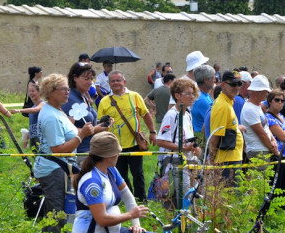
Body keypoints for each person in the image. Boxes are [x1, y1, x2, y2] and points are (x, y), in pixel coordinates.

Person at [35, 73, 94, 233]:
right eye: (64, 89)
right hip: (54, 168)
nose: (68, 92)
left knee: (56, 210)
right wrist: (82, 136)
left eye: (68, 88)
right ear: (51, 92)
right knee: (56, 211)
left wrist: (93, 129)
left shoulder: (57, 110)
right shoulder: (51, 116)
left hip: (59, 168)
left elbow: (71, 132)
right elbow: (58, 150)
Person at [98, 70, 156, 202]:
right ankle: (128, 200)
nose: (116, 83)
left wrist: (152, 132)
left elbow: (146, 115)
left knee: (138, 173)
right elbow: (100, 123)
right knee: (120, 175)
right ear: (109, 84)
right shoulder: (104, 101)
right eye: (112, 81)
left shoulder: (135, 96)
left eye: (118, 80)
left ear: (124, 82)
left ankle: (141, 199)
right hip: (114, 146)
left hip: (135, 143)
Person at [155, 78, 202, 199]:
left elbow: (188, 138)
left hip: (188, 162)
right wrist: (183, 148)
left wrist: (195, 148)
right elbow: (160, 141)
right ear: (177, 95)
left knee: (190, 197)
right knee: (183, 198)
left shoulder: (187, 114)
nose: (192, 97)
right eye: (188, 94)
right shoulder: (172, 115)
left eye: (193, 93)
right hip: (175, 163)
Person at [63, 62, 109, 167]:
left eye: (91, 79)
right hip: (79, 154)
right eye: (86, 79)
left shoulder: (84, 97)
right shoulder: (70, 99)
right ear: (75, 78)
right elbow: (66, 130)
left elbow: (87, 122)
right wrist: (95, 129)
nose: (90, 82)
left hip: (90, 150)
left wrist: (102, 123)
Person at [209, 70, 245, 181]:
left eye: (240, 84)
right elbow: (214, 138)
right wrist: (213, 163)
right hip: (226, 163)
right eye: (233, 84)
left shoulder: (228, 102)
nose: (237, 87)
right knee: (231, 196)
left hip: (231, 160)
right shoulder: (222, 106)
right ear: (223, 85)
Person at [265, 89, 285, 200]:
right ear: (270, 101)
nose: (280, 103)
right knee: (277, 185)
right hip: (279, 155)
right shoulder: (268, 117)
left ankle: (282, 209)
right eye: (277, 100)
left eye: (282, 101)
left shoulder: (281, 116)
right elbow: (283, 137)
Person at [241, 75, 279, 162]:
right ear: (258, 92)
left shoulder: (257, 106)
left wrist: (273, 140)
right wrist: (273, 149)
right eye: (266, 91)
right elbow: (261, 134)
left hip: (263, 150)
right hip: (257, 152)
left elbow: (265, 127)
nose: (267, 94)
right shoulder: (250, 109)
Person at [11, 82, 44, 151]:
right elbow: (31, 125)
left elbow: (35, 110)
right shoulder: (33, 106)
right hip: (33, 137)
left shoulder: (43, 104)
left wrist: (19, 110)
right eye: (30, 91)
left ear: (39, 92)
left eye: (33, 91)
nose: (31, 93)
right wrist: (27, 139)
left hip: (40, 137)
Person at [191, 64, 216, 143]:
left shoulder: (204, 94)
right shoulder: (201, 99)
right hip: (203, 139)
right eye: (213, 77)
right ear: (206, 80)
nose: (215, 80)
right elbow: (212, 122)